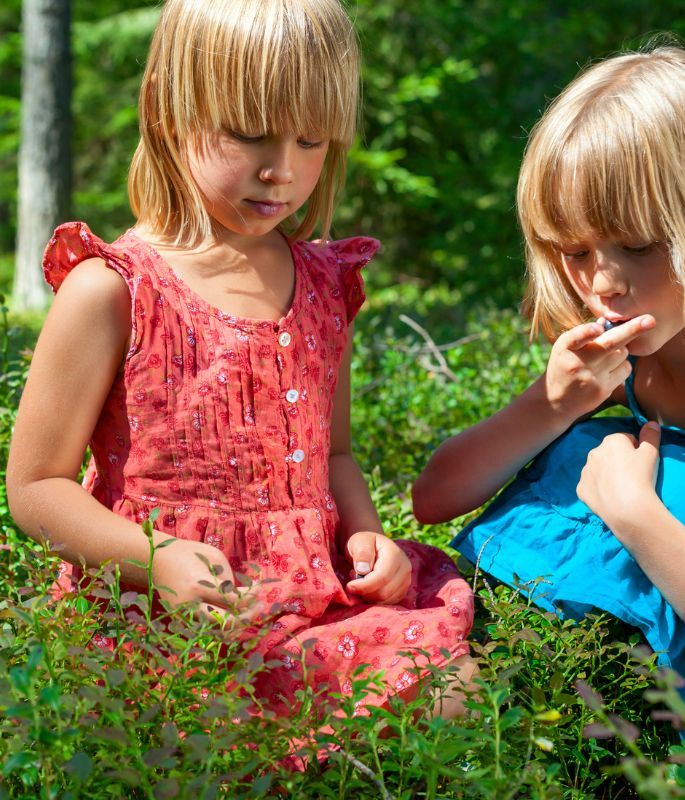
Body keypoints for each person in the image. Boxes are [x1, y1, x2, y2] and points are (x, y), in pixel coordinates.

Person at [7, 0, 474, 722]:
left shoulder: (324, 285)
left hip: (312, 602)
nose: (281, 170)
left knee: (452, 695)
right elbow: (36, 487)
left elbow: (335, 456)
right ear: (168, 110)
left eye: (312, 140)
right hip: (162, 616)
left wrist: (365, 534)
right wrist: (154, 557)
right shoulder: (114, 289)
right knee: (195, 744)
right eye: (249, 134)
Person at [412, 45, 685, 730]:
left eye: (639, 246)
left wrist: (635, 513)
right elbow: (434, 498)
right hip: (551, 674)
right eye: (575, 251)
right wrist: (552, 403)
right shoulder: (632, 358)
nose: (603, 283)